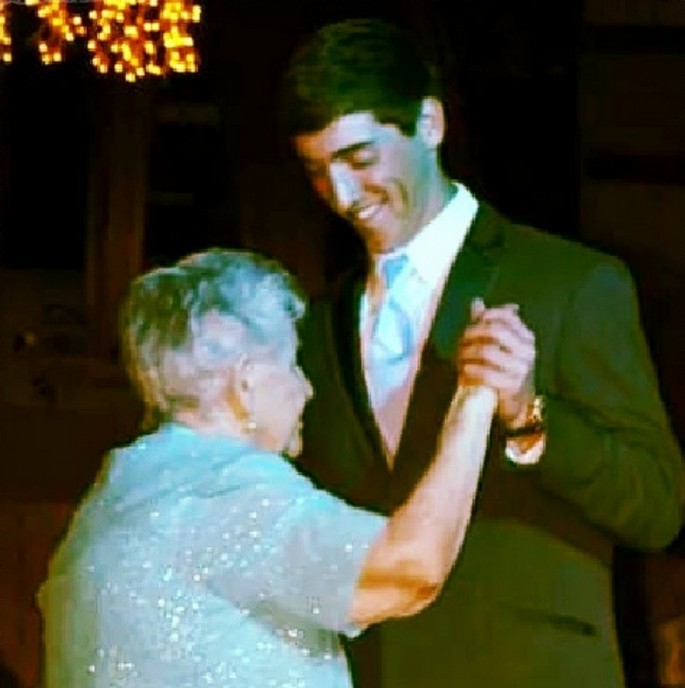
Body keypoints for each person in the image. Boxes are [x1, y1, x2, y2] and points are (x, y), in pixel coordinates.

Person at [278, 17, 685, 688]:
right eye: (317, 172)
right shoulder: (314, 328)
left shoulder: (571, 284)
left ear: (429, 124)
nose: (343, 198)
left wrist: (531, 418)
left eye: (358, 159)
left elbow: (659, 507)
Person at [37, 248, 498, 688]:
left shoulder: (118, 494)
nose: (306, 389)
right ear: (246, 377)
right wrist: (476, 397)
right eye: (294, 361)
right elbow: (408, 568)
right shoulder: (224, 486)